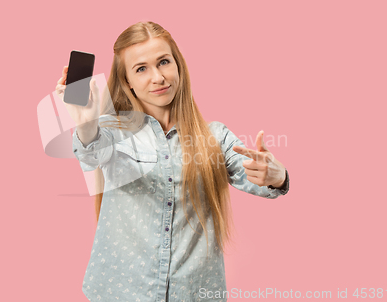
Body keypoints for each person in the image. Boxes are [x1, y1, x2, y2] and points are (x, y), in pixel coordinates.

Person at [55, 21, 289, 302]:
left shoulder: (215, 136)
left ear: (178, 65)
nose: (158, 77)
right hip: (120, 292)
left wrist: (277, 176)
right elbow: (92, 152)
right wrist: (85, 123)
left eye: (164, 62)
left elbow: (258, 180)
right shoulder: (113, 132)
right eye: (141, 68)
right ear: (127, 80)